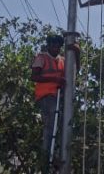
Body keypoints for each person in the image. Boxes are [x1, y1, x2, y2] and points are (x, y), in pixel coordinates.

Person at [30, 35, 79, 165]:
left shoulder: (62, 60)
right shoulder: (42, 57)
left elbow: (75, 71)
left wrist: (76, 52)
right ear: (48, 45)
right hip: (46, 96)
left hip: (58, 98)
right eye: (53, 45)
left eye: (58, 46)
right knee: (50, 125)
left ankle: (55, 155)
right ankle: (47, 157)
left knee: (62, 126)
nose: (55, 48)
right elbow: (34, 76)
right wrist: (55, 79)